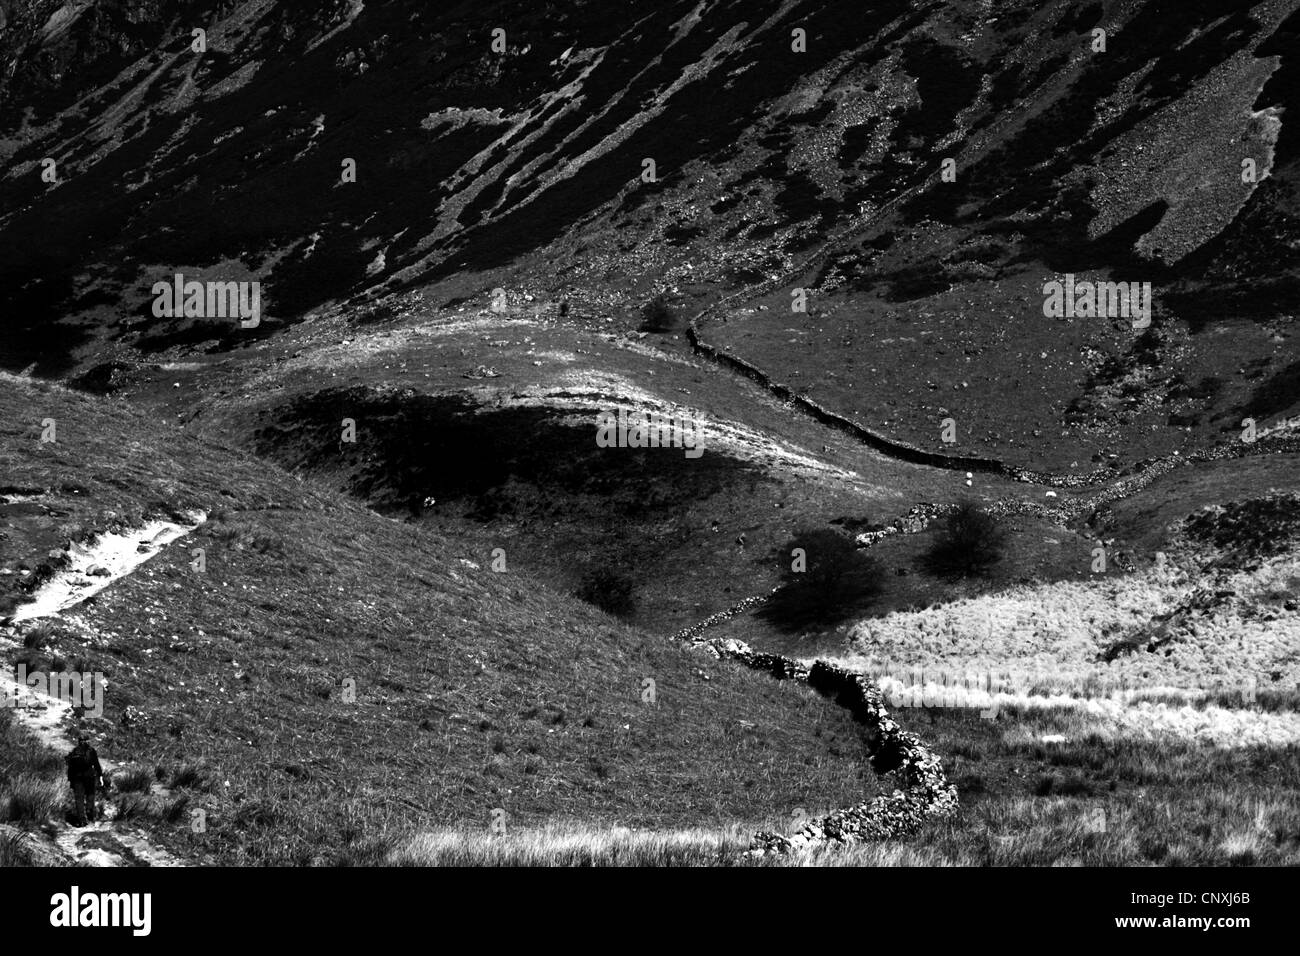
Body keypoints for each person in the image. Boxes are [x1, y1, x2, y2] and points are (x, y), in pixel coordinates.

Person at [66, 734, 105, 826]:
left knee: (79, 799)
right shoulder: (91, 751)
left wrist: (71, 780)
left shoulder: (74, 751)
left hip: (77, 778)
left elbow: (70, 768)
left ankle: (82, 820)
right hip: (89, 777)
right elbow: (96, 765)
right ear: (87, 741)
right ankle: (90, 814)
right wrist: (100, 775)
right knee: (90, 795)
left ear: (79, 741)